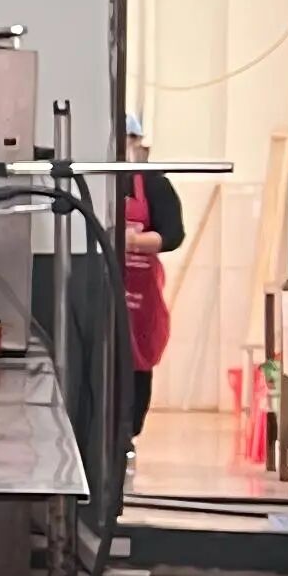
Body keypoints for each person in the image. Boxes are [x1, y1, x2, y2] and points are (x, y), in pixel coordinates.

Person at [120, 110, 185, 439]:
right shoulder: (97, 181)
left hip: (140, 299)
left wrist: (131, 241)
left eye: (128, 139)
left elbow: (173, 235)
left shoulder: (154, 184)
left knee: (137, 366)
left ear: (136, 142)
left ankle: (130, 434)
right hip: (101, 290)